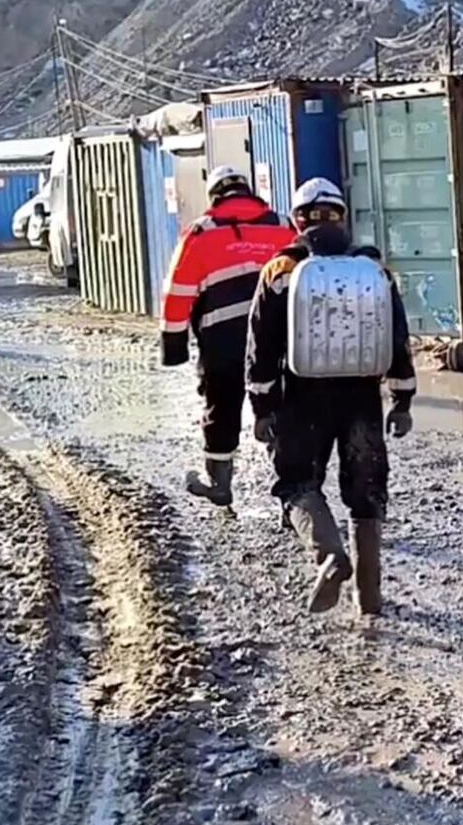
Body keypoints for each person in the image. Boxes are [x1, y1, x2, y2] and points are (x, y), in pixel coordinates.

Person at [247, 177, 416, 615]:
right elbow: (397, 336)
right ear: (343, 218)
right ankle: (370, 600)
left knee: (297, 482)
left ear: (295, 221)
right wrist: (402, 398)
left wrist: (262, 407)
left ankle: (329, 556)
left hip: (301, 398)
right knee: (367, 493)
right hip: (362, 398)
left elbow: (261, 347)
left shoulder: (281, 271)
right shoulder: (374, 269)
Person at [159, 165, 297, 508]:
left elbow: (178, 292)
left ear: (215, 196)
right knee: (279, 408)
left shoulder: (202, 232)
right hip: (278, 339)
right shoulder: (283, 226)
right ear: (248, 192)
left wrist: (173, 346)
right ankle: (294, 493)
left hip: (223, 342)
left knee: (221, 406)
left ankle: (219, 484)